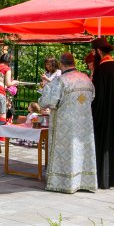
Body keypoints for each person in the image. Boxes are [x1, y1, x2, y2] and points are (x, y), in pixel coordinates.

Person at [38, 52, 97, 194]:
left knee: (68, 151)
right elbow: (92, 96)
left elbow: (47, 101)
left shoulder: (60, 81)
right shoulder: (86, 79)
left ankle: (64, 183)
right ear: (74, 63)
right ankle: (84, 182)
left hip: (65, 126)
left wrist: (42, 97)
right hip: (84, 125)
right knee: (82, 151)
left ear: (62, 64)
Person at [90, 37, 114, 190]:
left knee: (103, 143)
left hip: (104, 115)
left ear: (98, 51)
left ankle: (103, 178)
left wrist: (93, 112)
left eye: (93, 52)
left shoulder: (101, 69)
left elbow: (97, 96)